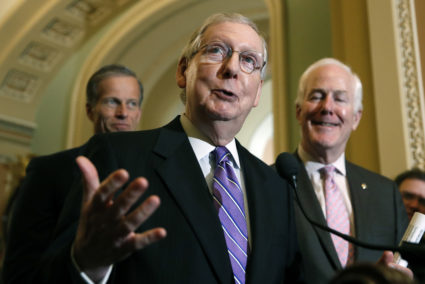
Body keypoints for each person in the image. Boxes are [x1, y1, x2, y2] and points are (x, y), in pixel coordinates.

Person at [26, 12, 302, 284]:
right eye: (217, 51)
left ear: (257, 92)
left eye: (249, 61)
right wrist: (88, 264)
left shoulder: (275, 186)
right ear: (183, 71)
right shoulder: (118, 156)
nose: (231, 68)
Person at [2, 64, 144, 284]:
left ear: (139, 113)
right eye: (111, 101)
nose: (123, 113)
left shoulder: (157, 170)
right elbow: (19, 272)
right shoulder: (48, 171)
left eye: (131, 104)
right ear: (90, 110)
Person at [289, 57, 409, 284]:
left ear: (356, 117)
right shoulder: (270, 182)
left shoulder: (385, 193)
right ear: (298, 111)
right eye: (316, 96)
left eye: (340, 99)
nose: (327, 107)